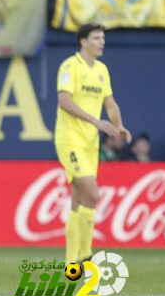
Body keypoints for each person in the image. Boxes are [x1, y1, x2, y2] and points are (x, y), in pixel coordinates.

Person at [54, 23, 132, 266]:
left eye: (103, 38)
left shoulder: (101, 70)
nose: (102, 42)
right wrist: (95, 121)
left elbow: (110, 103)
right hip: (71, 140)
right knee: (93, 192)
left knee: (80, 200)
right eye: (97, 38)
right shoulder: (70, 66)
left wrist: (118, 125)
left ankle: (71, 262)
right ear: (83, 42)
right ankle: (86, 255)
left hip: (90, 143)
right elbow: (64, 101)